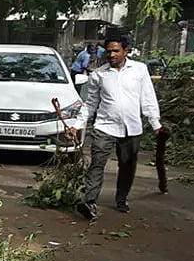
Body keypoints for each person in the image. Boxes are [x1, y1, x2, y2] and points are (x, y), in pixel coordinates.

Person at [68, 34, 162, 219]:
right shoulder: (98, 75)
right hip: (105, 127)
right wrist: (77, 125)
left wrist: (156, 123)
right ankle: (90, 202)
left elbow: (148, 99)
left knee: (127, 166)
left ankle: (121, 199)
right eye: (109, 51)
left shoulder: (140, 70)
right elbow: (90, 103)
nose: (111, 55)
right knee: (97, 164)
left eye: (116, 51)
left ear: (125, 51)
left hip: (132, 128)